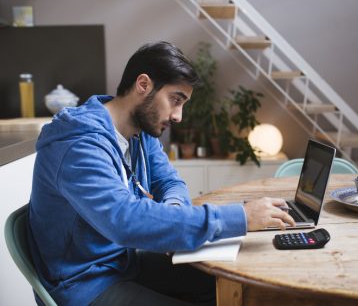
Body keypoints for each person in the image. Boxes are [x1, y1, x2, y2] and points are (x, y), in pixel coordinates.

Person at [27, 41, 295, 306]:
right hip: (84, 285)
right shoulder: (79, 145)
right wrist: (242, 216)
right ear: (143, 85)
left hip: (122, 263)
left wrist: (174, 212)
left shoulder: (138, 133)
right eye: (175, 100)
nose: (178, 116)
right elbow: (124, 221)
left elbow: (169, 181)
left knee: (225, 284)